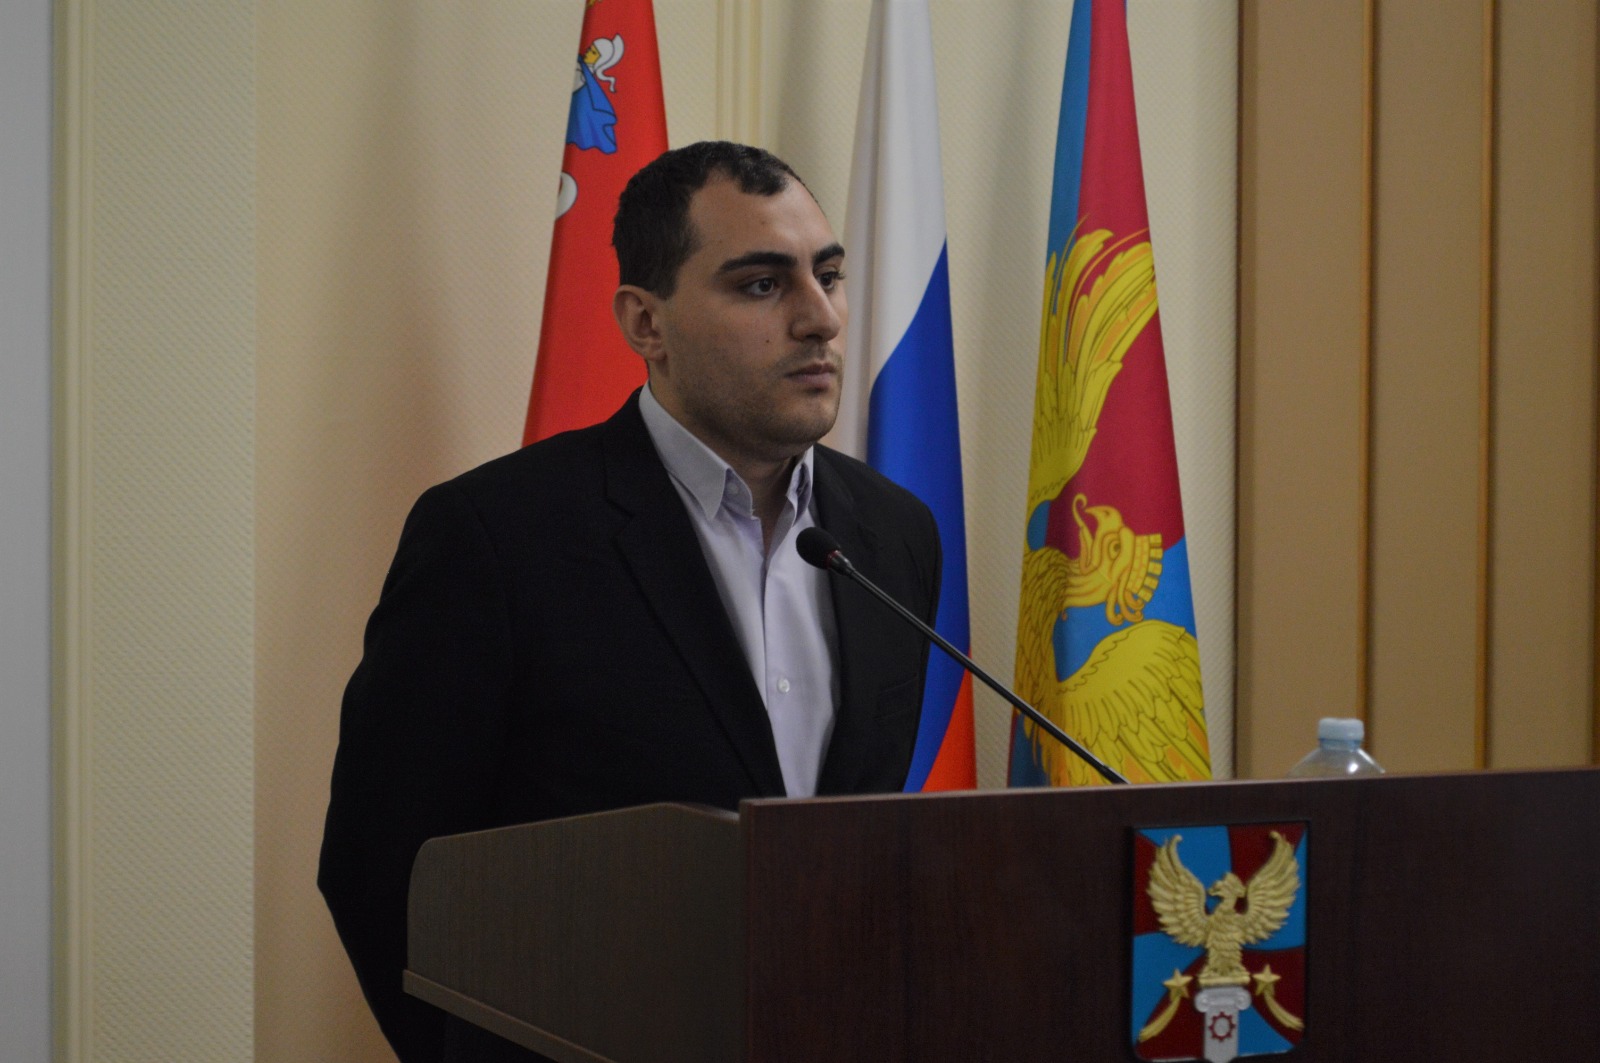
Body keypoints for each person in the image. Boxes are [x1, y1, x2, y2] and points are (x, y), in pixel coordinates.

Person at [318, 141, 941, 1063]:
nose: (819, 318)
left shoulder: (893, 534)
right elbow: (380, 865)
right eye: (762, 285)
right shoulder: (495, 536)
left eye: (830, 275)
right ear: (647, 322)